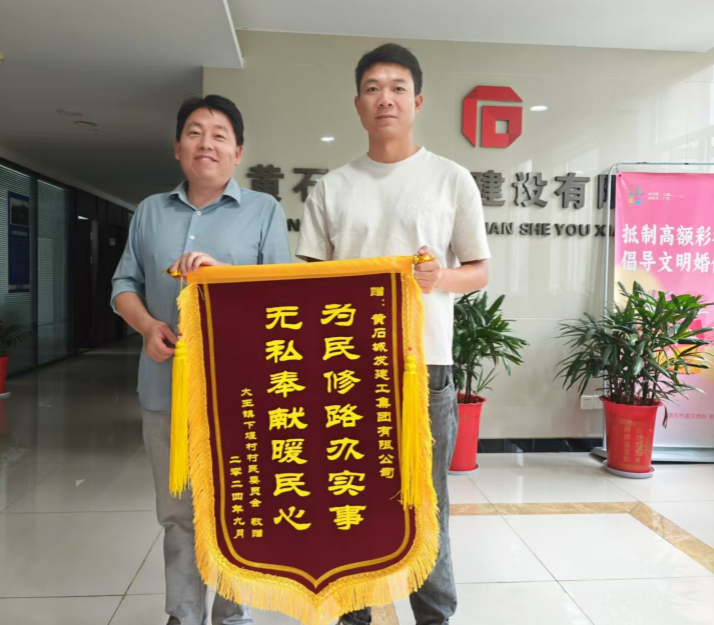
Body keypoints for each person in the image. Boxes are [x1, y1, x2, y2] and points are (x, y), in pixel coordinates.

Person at [296, 44, 490, 625]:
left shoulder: (451, 179)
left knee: (426, 504)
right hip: (345, 368)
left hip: (424, 366)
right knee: (349, 498)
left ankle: (435, 616)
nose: (386, 98)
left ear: (418, 101)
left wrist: (441, 277)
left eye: (398, 88)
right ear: (358, 104)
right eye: (373, 88)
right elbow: (306, 282)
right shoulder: (331, 187)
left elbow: (479, 270)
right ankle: (352, 616)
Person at [112, 94, 291, 625]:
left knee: (239, 508)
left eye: (219, 135)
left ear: (238, 152)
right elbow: (123, 285)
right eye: (194, 132)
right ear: (177, 147)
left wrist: (221, 276)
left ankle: (231, 615)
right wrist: (148, 326)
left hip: (240, 391)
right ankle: (183, 614)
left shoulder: (264, 211)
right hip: (164, 387)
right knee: (177, 513)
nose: (205, 143)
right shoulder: (149, 211)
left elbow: (280, 296)